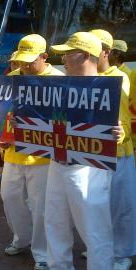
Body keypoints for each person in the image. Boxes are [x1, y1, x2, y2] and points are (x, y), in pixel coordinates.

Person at [46, 31, 123, 270]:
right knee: (54, 221)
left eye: (69, 54)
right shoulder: (57, 86)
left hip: (90, 165)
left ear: (85, 55)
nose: (64, 59)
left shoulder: (109, 87)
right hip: (57, 160)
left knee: (94, 226)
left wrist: (119, 134)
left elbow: (122, 125)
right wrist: (24, 124)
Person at [0, 34, 64, 270]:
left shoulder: (59, 80)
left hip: (42, 157)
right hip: (13, 152)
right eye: (21, 61)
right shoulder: (11, 78)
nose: (24, 66)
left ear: (44, 57)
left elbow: (64, 121)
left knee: (41, 207)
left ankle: (42, 253)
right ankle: (21, 238)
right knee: (9, 197)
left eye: (30, 61)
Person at [90, 29, 136, 270]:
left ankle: (123, 254)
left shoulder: (120, 77)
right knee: (97, 205)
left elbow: (126, 117)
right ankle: (103, 248)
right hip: (92, 152)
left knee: (121, 206)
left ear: (106, 52)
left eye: (91, 50)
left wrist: (123, 133)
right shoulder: (84, 78)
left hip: (119, 153)